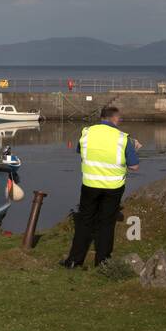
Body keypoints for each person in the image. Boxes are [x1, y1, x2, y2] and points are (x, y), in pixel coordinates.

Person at [61, 106, 140, 268]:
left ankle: (74, 260)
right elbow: (134, 167)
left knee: (84, 222)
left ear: (101, 117)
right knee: (106, 223)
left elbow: (80, 151)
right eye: (119, 118)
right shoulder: (123, 138)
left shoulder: (87, 133)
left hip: (90, 184)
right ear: (114, 119)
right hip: (113, 187)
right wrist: (135, 149)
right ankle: (103, 261)